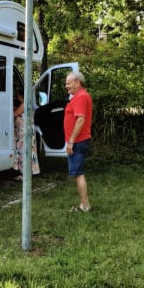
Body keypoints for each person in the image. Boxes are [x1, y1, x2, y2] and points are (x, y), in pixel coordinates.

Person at [64, 71, 93, 212]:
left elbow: (80, 119)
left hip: (78, 141)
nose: (66, 86)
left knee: (78, 173)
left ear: (78, 82)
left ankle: (84, 205)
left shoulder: (81, 97)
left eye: (69, 83)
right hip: (79, 140)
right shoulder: (79, 96)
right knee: (78, 173)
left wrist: (71, 141)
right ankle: (85, 204)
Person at [12, 94, 40, 180]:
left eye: (18, 95)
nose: (17, 97)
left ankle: (24, 174)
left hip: (23, 132)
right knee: (28, 151)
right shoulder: (29, 103)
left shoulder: (24, 104)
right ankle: (28, 172)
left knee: (23, 152)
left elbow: (14, 114)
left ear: (22, 96)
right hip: (27, 131)